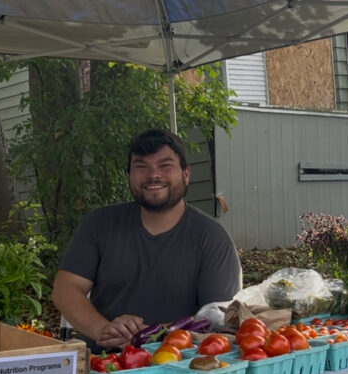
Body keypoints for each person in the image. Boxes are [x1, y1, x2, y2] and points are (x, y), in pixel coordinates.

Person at [51, 128, 242, 350]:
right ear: (130, 175)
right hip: (100, 365)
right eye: (141, 167)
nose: (153, 175)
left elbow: (216, 319)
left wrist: (143, 336)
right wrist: (104, 330)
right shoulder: (99, 223)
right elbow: (66, 289)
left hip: (180, 365)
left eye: (165, 165)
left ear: (186, 174)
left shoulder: (212, 239)